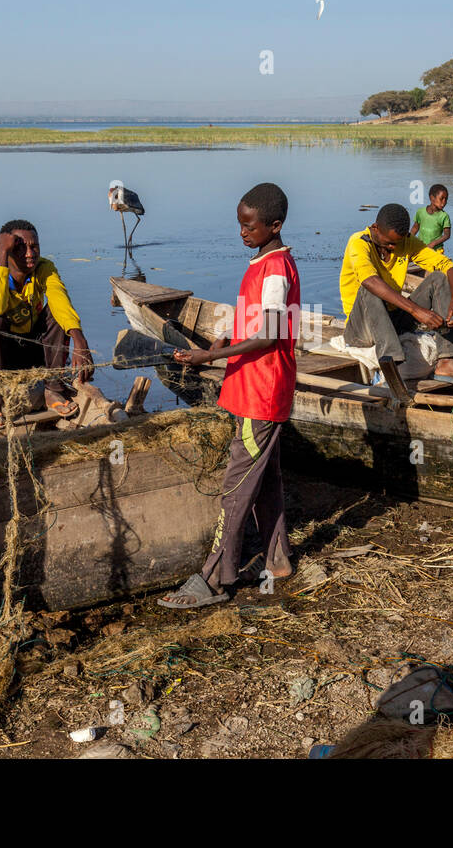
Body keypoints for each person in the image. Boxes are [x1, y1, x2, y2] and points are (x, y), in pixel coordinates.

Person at [158, 183, 299, 608]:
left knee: (235, 486)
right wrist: (217, 350)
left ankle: (215, 579)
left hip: (261, 391)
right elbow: (255, 324)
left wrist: (207, 353)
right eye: (240, 224)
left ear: (274, 226)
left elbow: (270, 332)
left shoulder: (275, 269)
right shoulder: (265, 263)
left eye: (250, 226)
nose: (242, 232)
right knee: (267, 479)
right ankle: (277, 560)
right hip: (256, 388)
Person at [339, 203, 453, 402]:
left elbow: (448, 266)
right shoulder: (359, 242)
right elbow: (369, 281)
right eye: (388, 243)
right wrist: (417, 311)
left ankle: (447, 358)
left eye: (397, 243)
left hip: (392, 320)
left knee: (438, 279)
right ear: (375, 228)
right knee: (372, 289)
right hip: (361, 329)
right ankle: (393, 367)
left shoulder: (406, 242)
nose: (393, 247)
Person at [0, 220, 93, 427]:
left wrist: (79, 339)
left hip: (28, 352)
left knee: (57, 311)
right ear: (5, 250)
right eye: (20, 247)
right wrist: (2, 255)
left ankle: (52, 389)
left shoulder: (44, 268)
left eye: (34, 246)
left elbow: (59, 299)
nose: (29, 253)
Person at [411, 184, 452, 251]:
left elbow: (447, 235)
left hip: (437, 250)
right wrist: (409, 241)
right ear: (432, 198)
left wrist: (434, 243)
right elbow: (415, 228)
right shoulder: (420, 212)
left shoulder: (444, 216)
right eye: (441, 199)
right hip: (421, 248)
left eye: (446, 199)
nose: (444, 202)